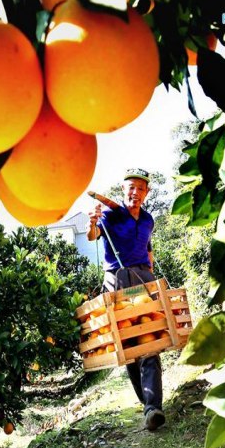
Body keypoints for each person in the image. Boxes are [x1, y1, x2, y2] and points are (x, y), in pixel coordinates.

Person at [87, 168, 165, 431]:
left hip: (143, 279)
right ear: (124, 190)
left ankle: (153, 407)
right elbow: (92, 236)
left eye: (141, 188)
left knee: (150, 336)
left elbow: (148, 248)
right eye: (131, 187)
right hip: (117, 279)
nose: (135, 192)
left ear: (147, 193)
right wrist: (92, 222)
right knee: (129, 345)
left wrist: (152, 277)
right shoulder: (110, 215)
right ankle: (147, 403)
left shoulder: (148, 220)